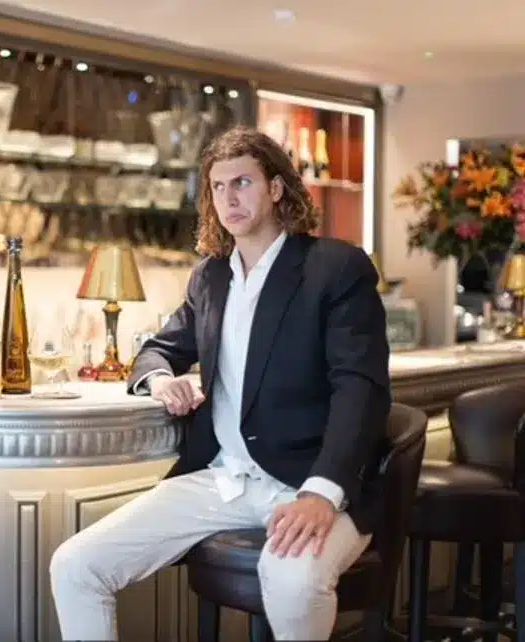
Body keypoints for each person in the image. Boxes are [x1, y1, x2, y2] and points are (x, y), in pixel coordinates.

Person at [49, 126, 391, 641]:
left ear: (276, 189)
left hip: (307, 480)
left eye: (243, 183)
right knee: (75, 565)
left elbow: (359, 388)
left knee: (292, 578)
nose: (228, 198)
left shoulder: (334, 268)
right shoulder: (210, 277)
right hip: (222, 480)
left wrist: (322, 492)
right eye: (217, 186)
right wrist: (162, 380)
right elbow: (158, 348)